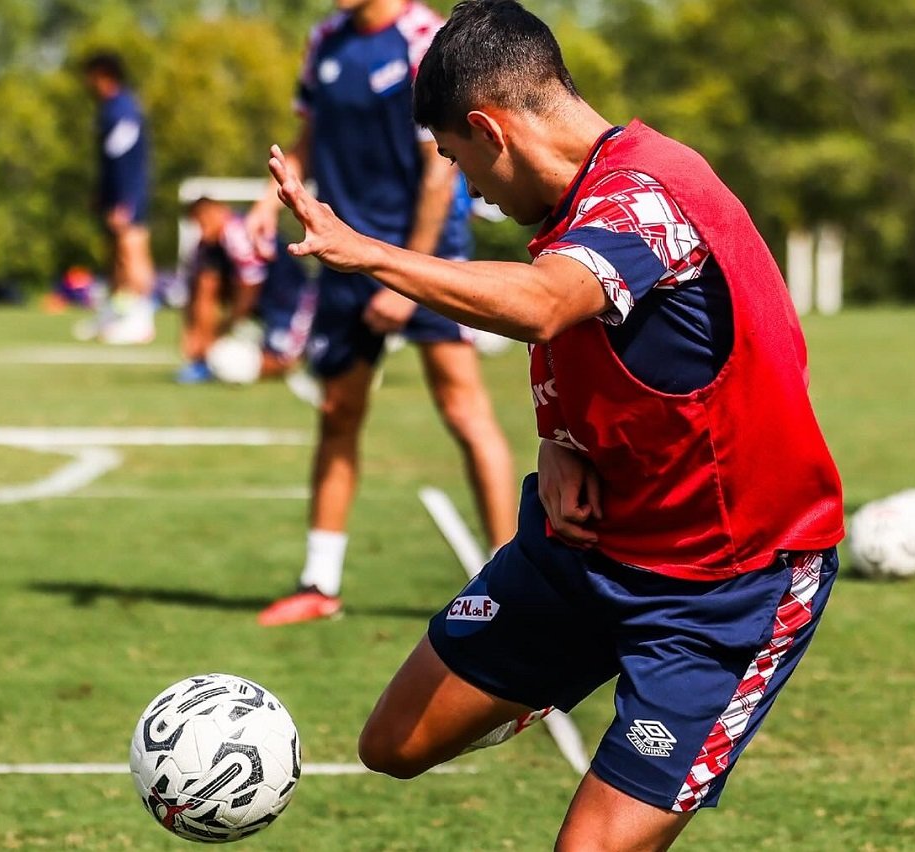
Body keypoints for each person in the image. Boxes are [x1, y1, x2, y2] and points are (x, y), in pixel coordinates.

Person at [266, 1, 846, 848]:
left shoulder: (650, 199)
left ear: (489, 130)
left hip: (725, 589)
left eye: (461, 162)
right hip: (586, 550)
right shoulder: (572, 206)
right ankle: (560, 670)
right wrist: (561, 438)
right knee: (392, 744)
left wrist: (372, 252)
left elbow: (545, 307)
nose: (469, 188)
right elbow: (589, 337)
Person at [244, 0, 517, 626]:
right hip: (343, 250)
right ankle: (320, 582)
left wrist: (404, 279)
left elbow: (438, 174)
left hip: (425, 254)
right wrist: (269, 200)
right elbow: (310, 140)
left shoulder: (423, 39)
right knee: (338, 412)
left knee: (462, 407)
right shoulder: (325, 41)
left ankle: (512, 580)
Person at [177, 197, 315, 385]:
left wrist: (229, 323)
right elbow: (203, 290)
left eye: (204, 220)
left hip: (290, 299)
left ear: (220, 212)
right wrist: (197, 337)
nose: (202, 229)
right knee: (205, 280)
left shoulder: (238, 231)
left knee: (284, 360)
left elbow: (250, 285)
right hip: (262, 305)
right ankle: (207, 361)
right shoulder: (208, 247)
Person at [81, 51, 156, 345]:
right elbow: (109, 161)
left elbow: (125, 160)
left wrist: (125, 201)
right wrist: (102, 194)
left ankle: (142, 320)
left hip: (129, 198)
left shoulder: (123, 110)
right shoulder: (108, 109)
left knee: (132, 254)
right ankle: (117, 316)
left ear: (103, 76)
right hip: (116, 198)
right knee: (115, 259)